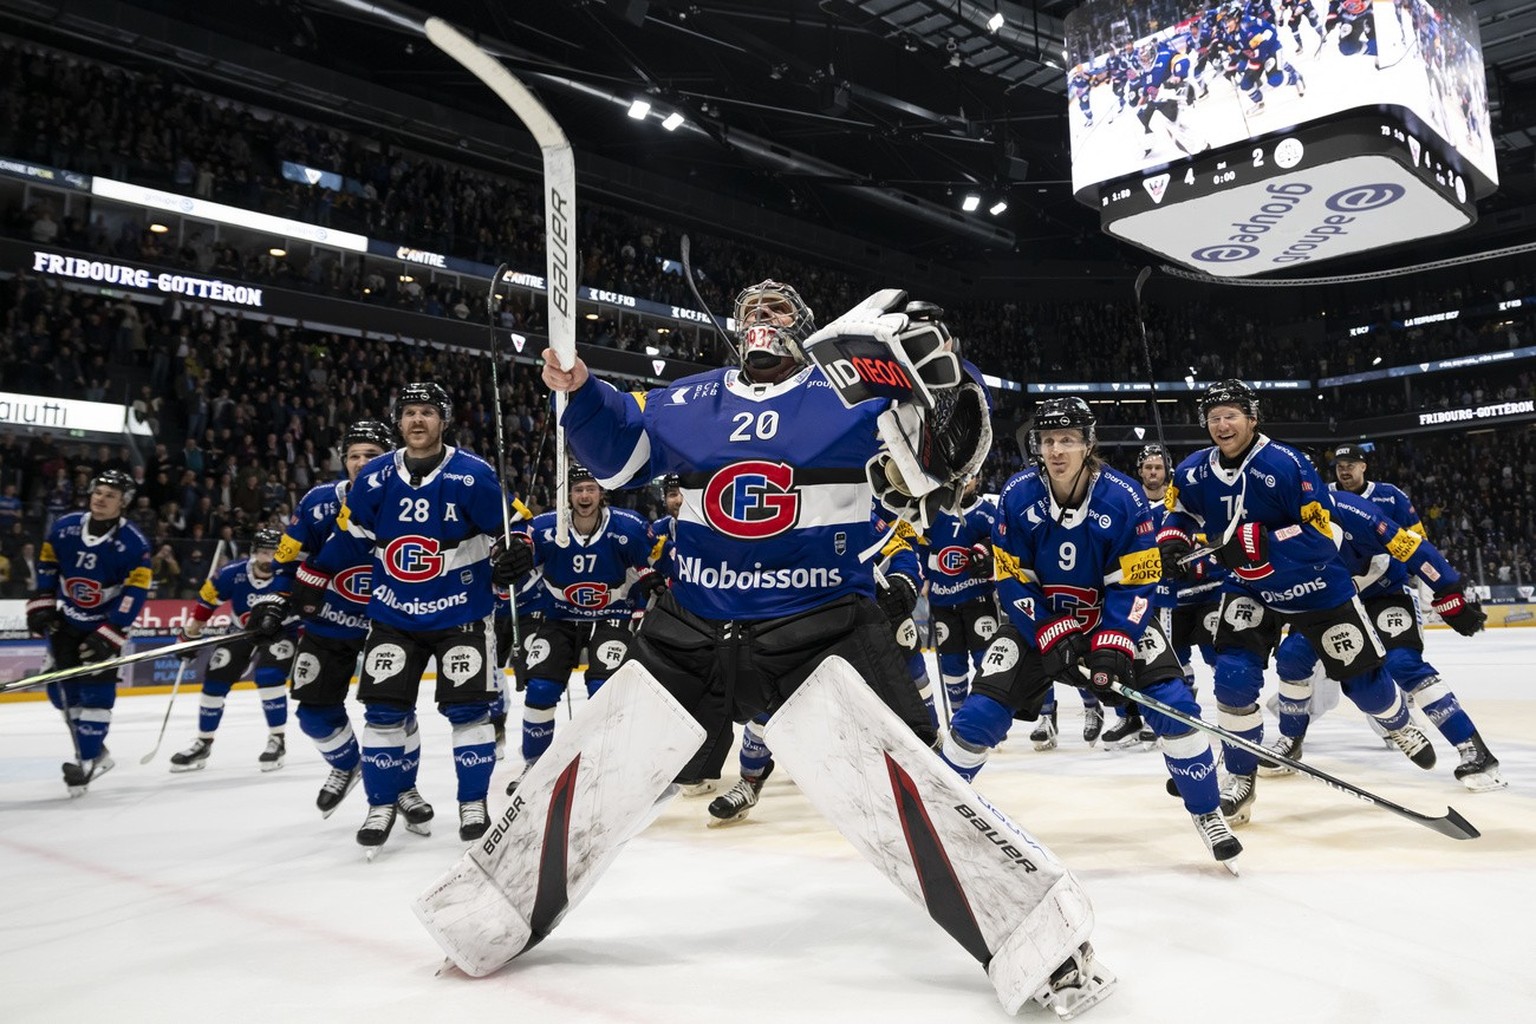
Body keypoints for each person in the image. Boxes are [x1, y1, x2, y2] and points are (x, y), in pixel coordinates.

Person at [522, 283, 1108, 1013]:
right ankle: (496, 905)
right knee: (591, 772)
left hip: (817, 628)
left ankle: (1044, 942)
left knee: (909, 795)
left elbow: (947, 453)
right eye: (751, 310)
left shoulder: (851, 394)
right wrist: (580, 393)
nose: (761, 318)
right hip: (695, 626)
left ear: (805, 327)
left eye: (777, 309)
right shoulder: (686, 399)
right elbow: (618, 457)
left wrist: (947, 369)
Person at [939, 399, 1239, 869]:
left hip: (1110, 620)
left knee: (1176, 707)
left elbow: (1139, 581)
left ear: (1088, 443)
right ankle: (933, 815)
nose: (1057, 451)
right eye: (1048, 441)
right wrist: (1050, 632)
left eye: (1068, 440)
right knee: (977, 716)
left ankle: (1207, 811)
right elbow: (1010, 578)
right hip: (1037, 622)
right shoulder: (1017, 494)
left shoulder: (1123, 496)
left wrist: (1115, 643)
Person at [1158, 380, 1435, 827]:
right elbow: (1182, 514)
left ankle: (1397, 719)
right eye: (1213, 418)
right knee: (1232, 678)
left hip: (1315, 588)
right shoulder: (1192, 470)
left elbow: (1324, 535)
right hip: (1249, 587)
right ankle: (1240, 778)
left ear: (1252, 417)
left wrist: (1257, 540)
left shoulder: (1288, 464)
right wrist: (1172, 542)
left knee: (1365, 686)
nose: (1222, 424)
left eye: (1231, 415)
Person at [293, 382, 526, 850]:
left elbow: (517, 527)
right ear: (398, 423)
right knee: (383, 714)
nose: (417, 421)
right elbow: (350, 538)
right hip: (394, 615)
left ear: (444, 420)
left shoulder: (473, 474)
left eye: (427, 412)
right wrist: (311, 577)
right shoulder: (375, 477)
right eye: (409, 413)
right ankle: (381, 805)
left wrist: (519, 549)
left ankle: (472, 803)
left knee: (469, 713)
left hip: (461, 613)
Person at [1263, 486, 1500, 790]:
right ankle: (1291, 740)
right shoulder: (1275, 519)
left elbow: (1412, 547)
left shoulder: (1354, 511)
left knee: (1403, 663)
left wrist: (1448, 591)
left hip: (1384, 594)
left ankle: (1473, 748)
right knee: (1292, 657)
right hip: (1330, 602)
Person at [507, 463, 663, 782]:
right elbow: (518, 566)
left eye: (590, 488)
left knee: (604, 691)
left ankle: (605, 763)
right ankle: (535, 765)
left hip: (612, 615)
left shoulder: (629, 526)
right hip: (560, 617)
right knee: (540, 689)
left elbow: (651, 566)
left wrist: (651, 579)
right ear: (567, 494)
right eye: (578, 489)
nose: (584, 495)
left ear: (601, 492)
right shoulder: (545, 528)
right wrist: (511, 555)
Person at [274, 420, 394, 817]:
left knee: (392, 715)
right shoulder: (317, 502)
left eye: (371, 456)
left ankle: (401, 787)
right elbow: (286, 561)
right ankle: (346, 764)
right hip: (329, 626)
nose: (361, 463)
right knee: (312, 711)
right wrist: (275, 602)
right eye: (354, 456)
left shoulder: (405, 499)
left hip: (388, 626)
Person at [27, 470, 152, 795]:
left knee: (96, 697)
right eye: (98, 491)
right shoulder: (65, 527)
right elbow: (48, 566)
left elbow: (135, 592)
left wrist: (112, 631)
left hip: (103, 625)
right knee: (61, 694)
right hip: (67, 621)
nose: (100, 498)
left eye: (110, 495)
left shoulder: (133, 544)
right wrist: (42, 601)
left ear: (122, 503)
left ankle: (86, 761)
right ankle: (97, 752)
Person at [168, 527, 295, 772]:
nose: (268, 558)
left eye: (274, 552)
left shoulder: (290, 574)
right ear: (253, 553)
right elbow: (205, 605)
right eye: (263, 552)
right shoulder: (231, 574)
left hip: (281, 632)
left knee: (268, 676)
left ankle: (277, 740)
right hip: (241, 630)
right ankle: (203, 742)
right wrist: (189, 635)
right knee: (215, 679)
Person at [915, 476, 1000, 724]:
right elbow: (919, 545)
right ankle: (960, 721)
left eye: (970, 477)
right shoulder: (930, 511)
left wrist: (988, 552)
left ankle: (987, 716)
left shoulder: (988, 513)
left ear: (980, 478)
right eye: (959, 478)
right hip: (943, 603)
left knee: (986, 662)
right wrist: (927, 571)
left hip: (979, 599)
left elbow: (1003, 547)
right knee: (952, 665)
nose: (964, 483)